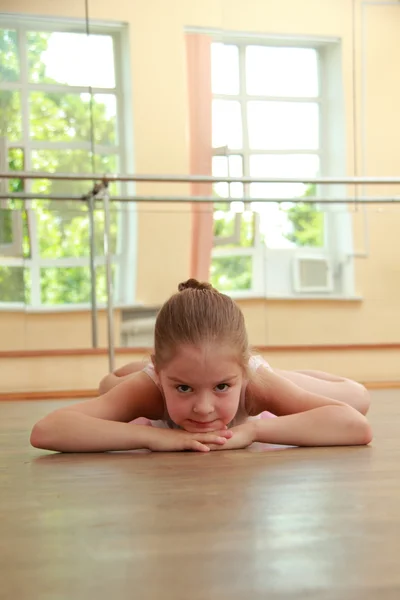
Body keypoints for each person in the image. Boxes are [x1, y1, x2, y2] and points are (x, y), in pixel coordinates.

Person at [30, 279, 372, 453]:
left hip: (264, 374)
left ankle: (289, 377)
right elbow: (46, 430)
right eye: (183, 387)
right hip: (154, 375)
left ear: (242, 372)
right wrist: (150, 437)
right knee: (112, 386)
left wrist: (254, 430)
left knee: (358, 398)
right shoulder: (150, 387)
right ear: (160, 372)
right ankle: (136, 374)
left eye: (223, 386)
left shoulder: (256, 382)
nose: (204, 408)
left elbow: (355, 425)